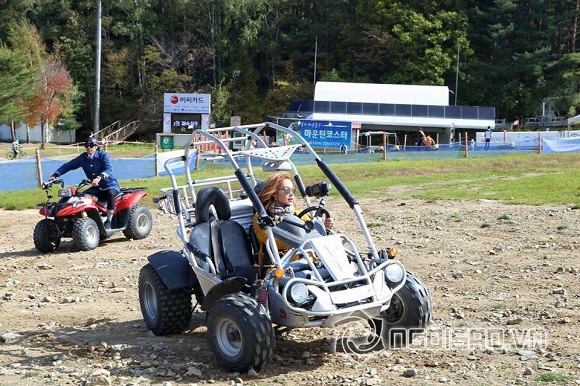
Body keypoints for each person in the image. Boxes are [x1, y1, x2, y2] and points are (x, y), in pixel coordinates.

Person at [252, 172, 334, 267]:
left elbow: (313, 233)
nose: (291, 194)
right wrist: (300, 238)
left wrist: (325, 228)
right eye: (286, 190)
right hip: (277, 267)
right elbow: (271, 241)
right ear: (274, 193)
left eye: (293, 190)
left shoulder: (297, 213)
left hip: (309, 262)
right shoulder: (262, 217)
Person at [49, 137, 120, 229]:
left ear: (96, 147)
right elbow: (68, 166)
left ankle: (109, 220)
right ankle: (76, 219)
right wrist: (55, 175)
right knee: (79, 197)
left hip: (109, 185)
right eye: (86, 146)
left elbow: (109, 169)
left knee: (110, 194)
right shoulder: (83, 157)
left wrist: (99, 177)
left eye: (91, 146)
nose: (89, 148)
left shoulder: (103, 155)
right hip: (96, 188)